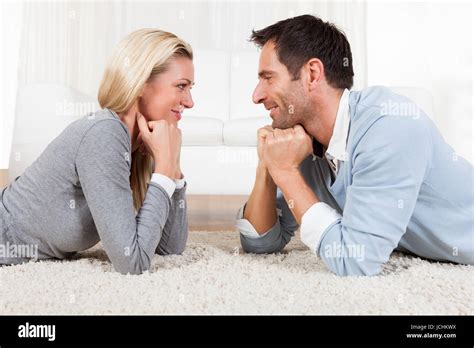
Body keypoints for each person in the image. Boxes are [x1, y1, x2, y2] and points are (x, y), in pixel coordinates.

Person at [236, 15, 474, 276]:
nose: (256, 95)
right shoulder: (302, 143)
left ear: (312, 74)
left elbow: (356, 261)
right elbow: (260, 242)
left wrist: (286, 174)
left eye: (268, 78)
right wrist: (267, 166)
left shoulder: (389, 126)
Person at [0, 29, 194, 275]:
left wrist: (172, 168)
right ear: (141, 84)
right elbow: (131, 264)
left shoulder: (136, 146)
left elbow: (170, 248)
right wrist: (165, 170)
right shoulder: (105, 133)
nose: (189, 101)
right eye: (181, 86)